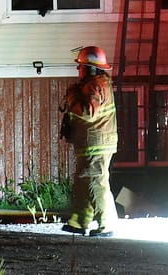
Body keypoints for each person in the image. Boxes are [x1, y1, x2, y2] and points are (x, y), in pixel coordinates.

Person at [59, 45, 119, 237]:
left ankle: (107, 224)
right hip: (92, 144)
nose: (79, 69)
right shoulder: (98, 83)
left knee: (95, 182)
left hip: (96, 144)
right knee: (83, 182)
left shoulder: (94, 85)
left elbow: (88, 112)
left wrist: (72, 96)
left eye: (81, 66)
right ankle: (79, 222)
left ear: (90, 68)